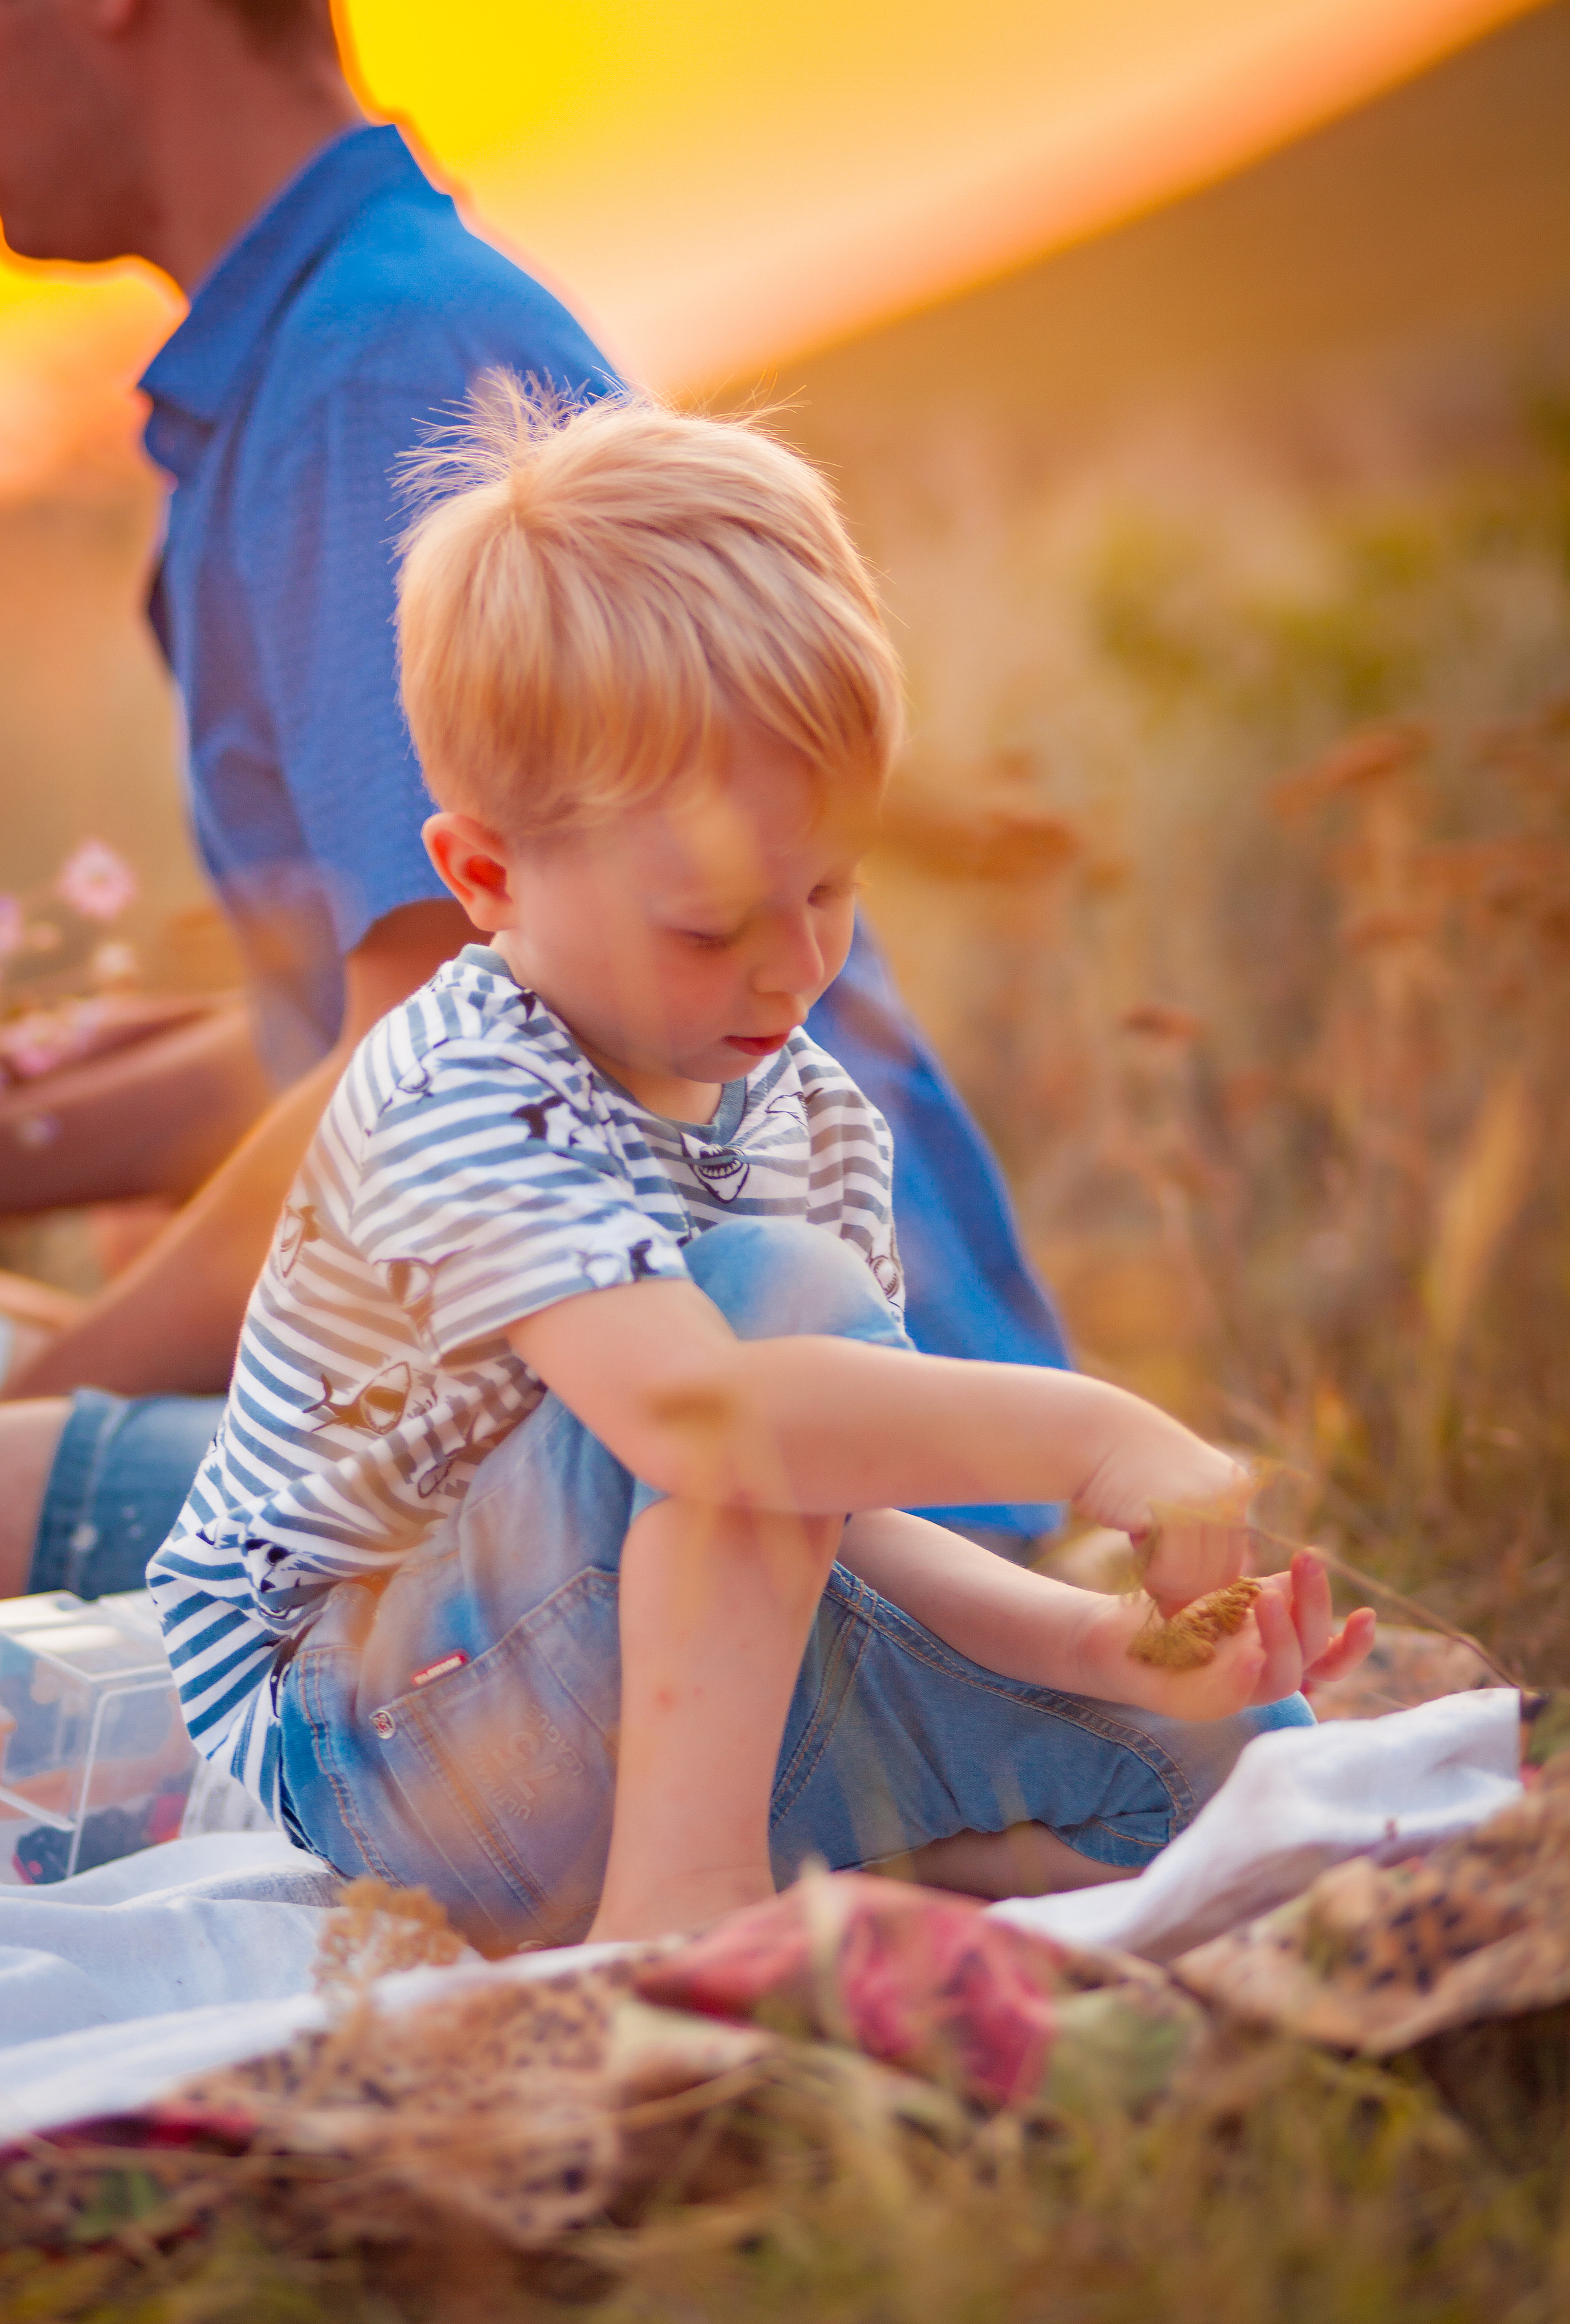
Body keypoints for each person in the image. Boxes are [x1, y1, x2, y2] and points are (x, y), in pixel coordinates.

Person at [148, 388, 1375, 1948]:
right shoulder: (457, 1086)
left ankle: (793, 1875)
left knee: (1229, 1773)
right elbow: (703, 1419)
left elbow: (819, 1500)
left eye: (829, 888)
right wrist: (1091, 1435)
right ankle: (678, 1902)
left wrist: (1095, 1647)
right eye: (708, 925)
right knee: (771, 1305)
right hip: (386, 1736)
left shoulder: (804, 1112)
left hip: (642, 1679)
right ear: (486, 875)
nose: (792, 967)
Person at [0, 0, 1070, 1604]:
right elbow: (413, 1012)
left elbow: (428, 1076)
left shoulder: (378, 378)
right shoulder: (347, 337)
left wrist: (43, 1404)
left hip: (783, 1494)